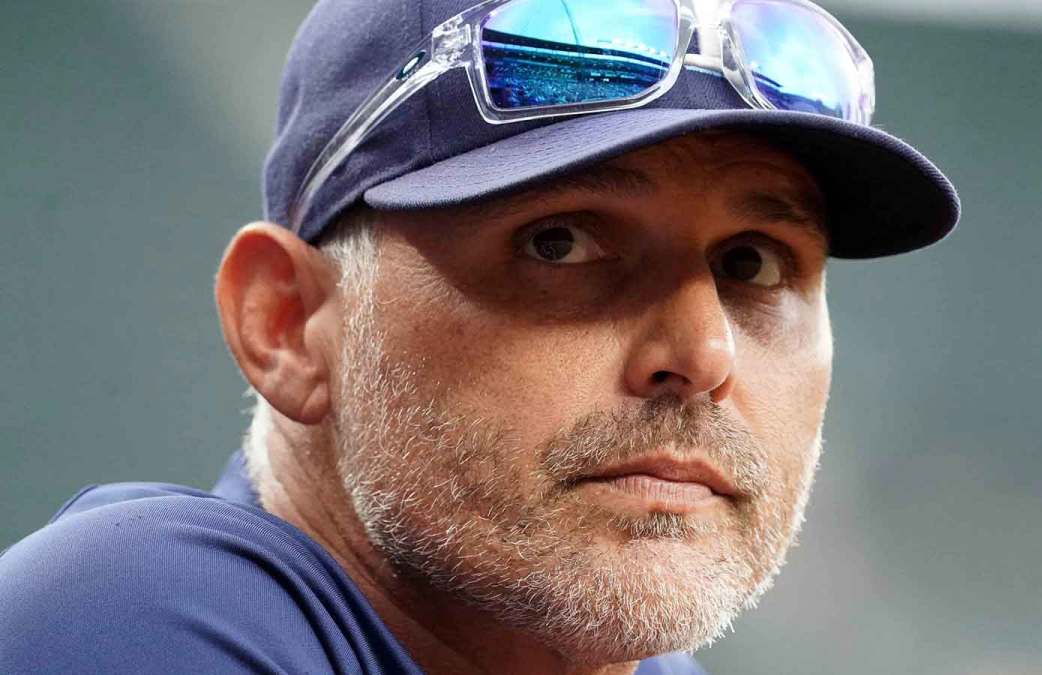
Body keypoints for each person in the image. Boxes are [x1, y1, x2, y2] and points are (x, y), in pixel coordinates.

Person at [0, 0, 958, 673]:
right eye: (561, 241)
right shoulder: (136, 619)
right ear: (289, 324)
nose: (703, 355)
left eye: (752, 262)